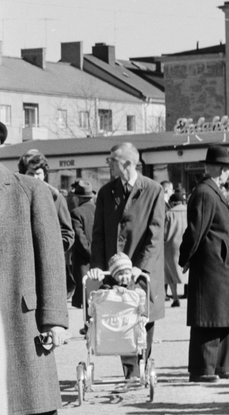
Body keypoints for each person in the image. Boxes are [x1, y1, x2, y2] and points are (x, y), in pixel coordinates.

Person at [1, 160, 70, 415]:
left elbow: (51, 257)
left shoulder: (29, 190)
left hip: (20, 316)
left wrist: (55, 318)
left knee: (36, 408)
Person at [89, 142, 165, 379]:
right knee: (121, 316)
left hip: (142, 269)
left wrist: (139, 267)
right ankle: (131, 373)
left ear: (129, 163)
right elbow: (99, 234)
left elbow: (156, 233)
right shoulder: (105, 192)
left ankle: (141, 365)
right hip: (114, 269)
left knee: (144, 316)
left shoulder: (153, 190)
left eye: (112, 160)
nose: (108, 163)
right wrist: (98, 270)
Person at [180, 146, 229, 382]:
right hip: (211, 266)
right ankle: (202, 369)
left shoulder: (214, 190)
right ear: (218, 169)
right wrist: (185, 258)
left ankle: (221, 366)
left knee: (224, 315)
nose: (228, 172)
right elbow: (196, 230)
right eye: (226, 168)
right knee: (208, 317)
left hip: (221, 265)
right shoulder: (205, 192)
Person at [18, 151, 74, 289]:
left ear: (44, 174)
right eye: (31, 173)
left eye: (39, 174)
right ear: (23, 174)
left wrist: (50, 249)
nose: (35, 178)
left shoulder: (56, 198)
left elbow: (68, 234)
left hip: (48, 267)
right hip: (21, 266)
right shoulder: (15, 197)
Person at [69, 180, 97, 309]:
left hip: (83, 262)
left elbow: (80, 240)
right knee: (99, 298)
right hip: (100, 260)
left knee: (86, 300)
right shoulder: (100, 210)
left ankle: (87, 327)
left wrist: (91, 255)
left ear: (78, 197)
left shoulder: (76, 212)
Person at [164, 189, 187, 307]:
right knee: (188, 271)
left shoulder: (168, 214)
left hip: (171, 246)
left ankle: (175, 298)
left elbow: (163, 232)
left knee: (170, 272)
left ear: (172, 203)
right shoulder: (189, 211)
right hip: (187, 244)